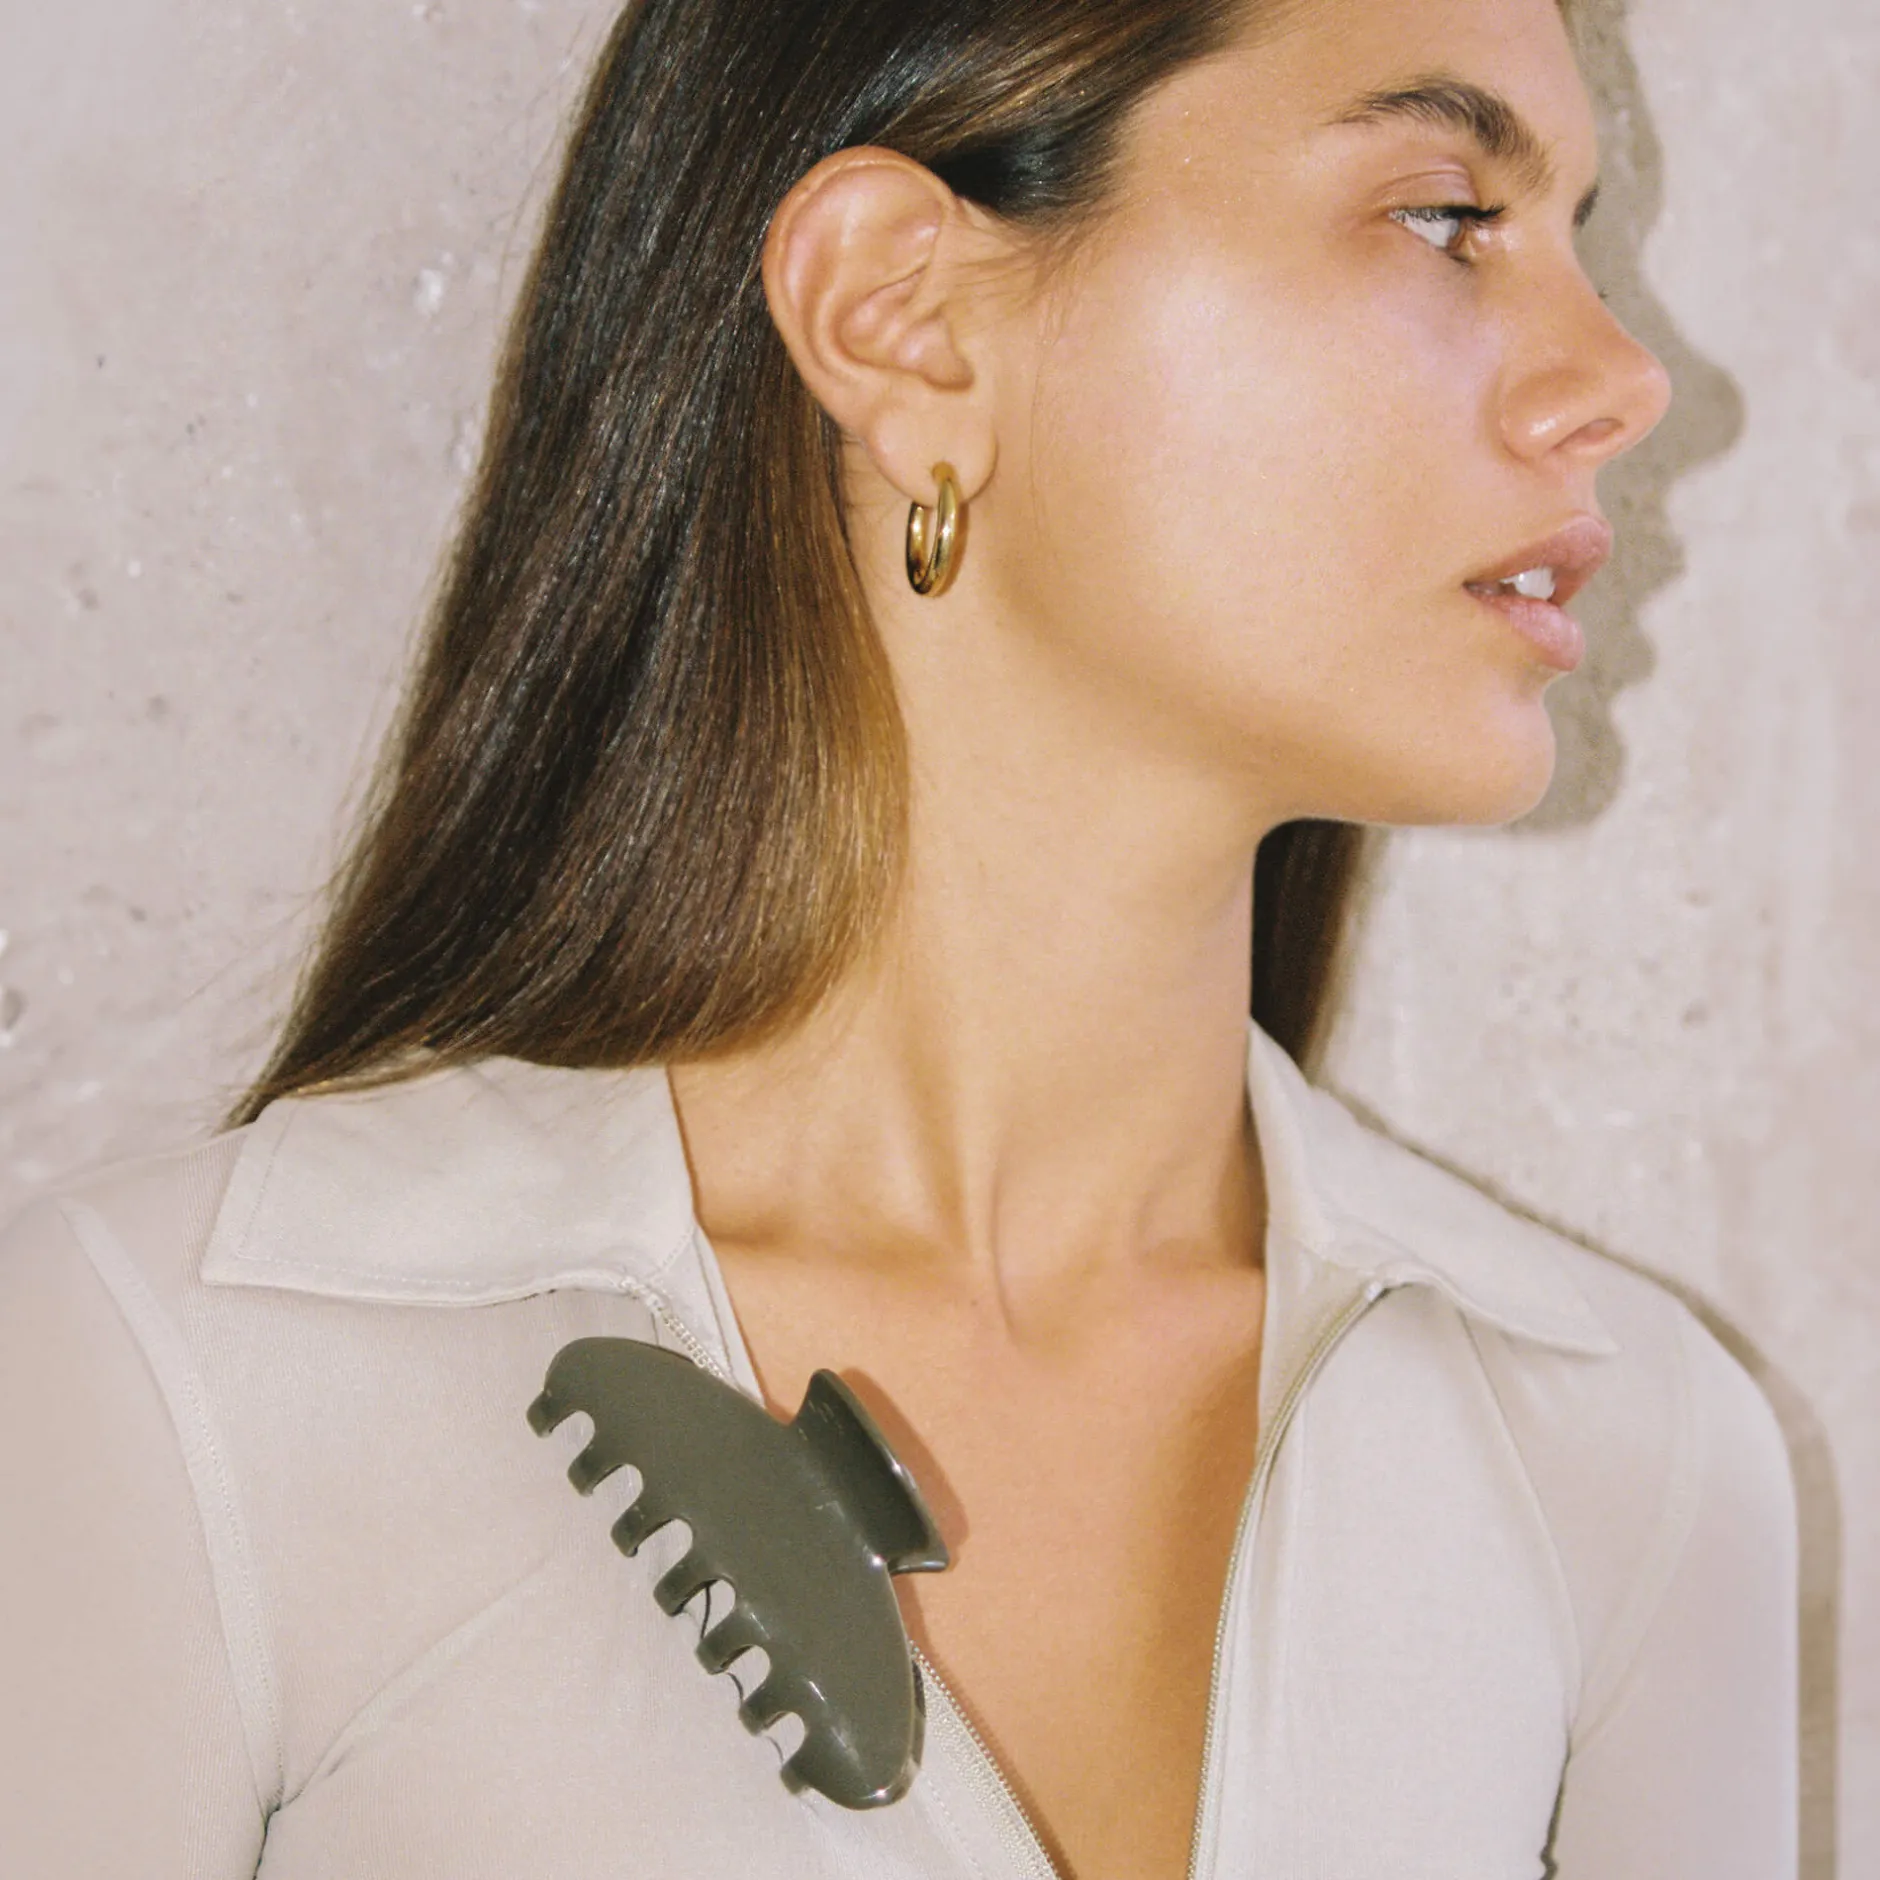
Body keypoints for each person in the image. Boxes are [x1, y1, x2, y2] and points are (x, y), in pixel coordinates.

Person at [0, 0, 1798, 1873]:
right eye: (1446, 216)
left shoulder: (1621, 1458)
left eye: (1574, 230)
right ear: (901, 315)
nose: (1622, 379)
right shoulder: (183, 1387)